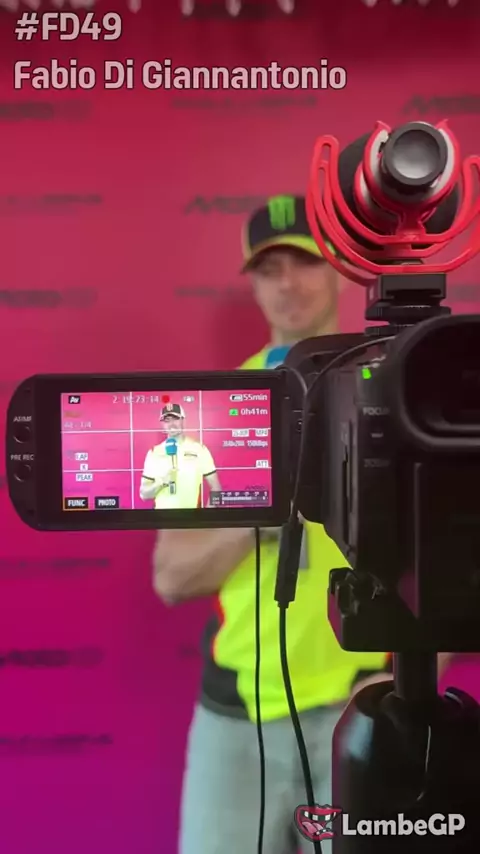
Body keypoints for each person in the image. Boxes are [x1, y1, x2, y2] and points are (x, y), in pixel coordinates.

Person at [152, 195, 452, 854]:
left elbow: (455, 555)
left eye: (305, 262)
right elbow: (171, 577)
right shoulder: (211, 410)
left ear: (338, 269)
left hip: (362, 705)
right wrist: (264, 510)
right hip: (239, 714)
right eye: (269, 268)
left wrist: (416, 672)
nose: (288, 284)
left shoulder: (398, 393)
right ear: (253, 283)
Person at [139, 402, 221, 509]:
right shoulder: (154, 453)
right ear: (162, 424)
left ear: (183, 420)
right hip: (162, 518)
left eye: (175, 419)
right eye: (167, 420)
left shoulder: (199, 449)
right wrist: (161, 482)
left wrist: (207, 516)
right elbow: (144, 494)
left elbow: (216, 488)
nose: (171, 424)